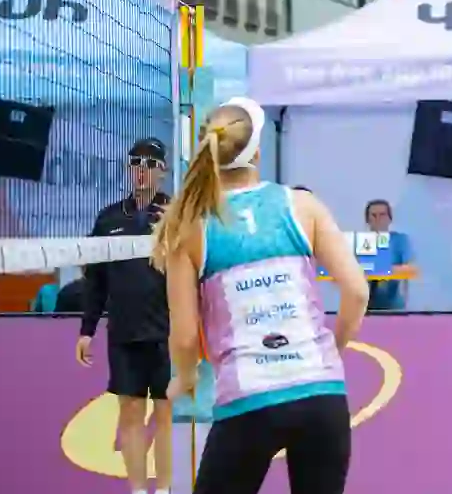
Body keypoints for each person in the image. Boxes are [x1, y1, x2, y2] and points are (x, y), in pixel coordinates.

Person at [151, 96, 369, 494]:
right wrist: (330, 350)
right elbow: (357, 291)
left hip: (249, 399)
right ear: (257, 152)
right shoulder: (302, 206)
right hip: (320, 394)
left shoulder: (190, 227)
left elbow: (183, 336)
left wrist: (183, 378)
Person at [77, 137, 173, 494]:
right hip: (124, 332)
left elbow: (195, 271)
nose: (142, 170)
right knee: (130, 414)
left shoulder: (176, 213)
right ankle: (137, 490)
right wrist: (87, 330)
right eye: (136, 162)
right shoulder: (109, 218)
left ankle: (163, 489)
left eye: (150, 164)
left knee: (164, 414)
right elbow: (96, 280)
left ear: (162, 171)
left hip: (166, 332)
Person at [363, 199, 417, 310]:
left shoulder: (400, 240)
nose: (378, 219)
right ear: (367, 220)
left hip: (394, 307)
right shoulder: (361, 243)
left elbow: (410, 269)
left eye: (382, 215)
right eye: (373, 215)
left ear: (389, 218)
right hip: (365, 307)